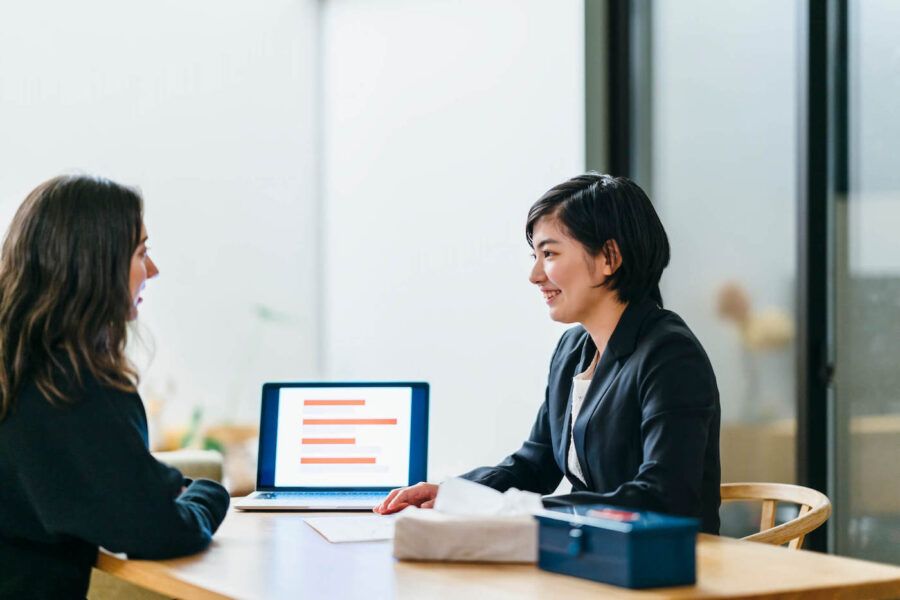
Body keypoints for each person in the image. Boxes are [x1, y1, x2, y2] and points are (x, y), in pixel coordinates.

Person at [374, 173, 721, 533]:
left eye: (550, 254)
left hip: (668, 569)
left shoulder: (670, 354)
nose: (535, 275)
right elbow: (534, 464)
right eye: (535, 255)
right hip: (593, 556)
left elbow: (663, 495)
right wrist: (453, 493)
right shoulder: (572, 350)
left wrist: (512, 509)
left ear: (609, 257)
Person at [0, 175, 230, 598]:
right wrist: (211, 493)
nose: (153, 270)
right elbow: (157, 530)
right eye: (142, 252)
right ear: (93, 264)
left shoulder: (17, 368)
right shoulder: (68, 386)